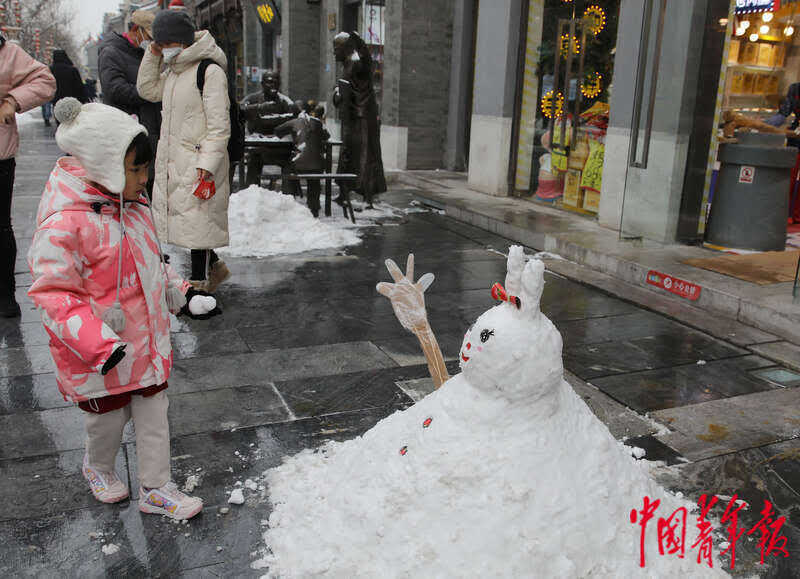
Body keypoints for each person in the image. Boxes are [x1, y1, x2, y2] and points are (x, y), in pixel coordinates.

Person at [27, 98, 219, 519]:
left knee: (155, 416)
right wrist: (98, 343)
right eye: (135, 169)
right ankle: (98, 466)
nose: (143, 178)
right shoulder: (65, 223)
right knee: (107, 424)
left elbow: (153, 268)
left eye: (145, 168)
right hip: (103, 354)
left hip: (146, 346)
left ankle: (156, 487)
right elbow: (55, 293)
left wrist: (182, 294)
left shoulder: (134, 208)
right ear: (102, 163)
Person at [137, 10, 231, 292]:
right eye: (160, 44)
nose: (163, 49)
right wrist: (152, 55)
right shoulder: (174, 72)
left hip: (201, 160)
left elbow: (219, 126)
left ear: (181, 40)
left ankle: (199, 284)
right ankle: (216, 268)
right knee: (191, 222)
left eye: (165, 44)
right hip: (177, 158)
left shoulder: (209, 71)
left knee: (198, 221)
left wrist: (208, 163)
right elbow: (146, 89)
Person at [0, 33, 56, 318]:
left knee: (0, 227)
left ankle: (5, 295)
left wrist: (12, 100)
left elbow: (45, 82)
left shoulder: (8, 53)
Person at [98, 9, 161, 193]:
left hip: (151, 129)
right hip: (128, 130)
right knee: (133, 186)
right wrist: (150, 92)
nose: (149, 42)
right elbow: (114, 88)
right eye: (148, 37)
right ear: (136, 30)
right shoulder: (112, 52)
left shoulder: (145, 53)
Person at [332, 31, 386, 208]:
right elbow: (343, 91)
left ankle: (368, 196)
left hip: (363, 117)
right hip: (351, 116)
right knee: (347, 154)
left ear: (346, 48)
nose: (334, 53)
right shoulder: (347, 65)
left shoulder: (358, 63)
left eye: (337, 48)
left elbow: (367, 58)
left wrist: (357, 39)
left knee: (366, 156)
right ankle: (343, 192)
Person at [240, 70, 299, 187]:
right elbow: (240, 110)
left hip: (280, 150)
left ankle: (289, 198)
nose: (273, 86)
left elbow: (295, 116)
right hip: (258, 148)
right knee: (254, 164)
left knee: (289, 165)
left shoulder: (284, 101)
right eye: (270, 82)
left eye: (277, 83)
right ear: (262, 84)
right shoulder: (253, 98)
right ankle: (249, 196)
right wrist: (258, 108)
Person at [275, 101, 330, 217]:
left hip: (299, 165)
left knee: (287, 169)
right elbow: (326, 136)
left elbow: (278, 131)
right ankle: (314, 208)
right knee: (314, 173)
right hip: (318, 166)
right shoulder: (318, 123)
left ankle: (289, 202)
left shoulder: (294, 122)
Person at [765, 82, 800, 224]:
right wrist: (763, 126)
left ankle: (798, 217)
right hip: (796, 140)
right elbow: (782, 114)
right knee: (787, 179)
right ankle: (780, 214)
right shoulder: (795, 89)